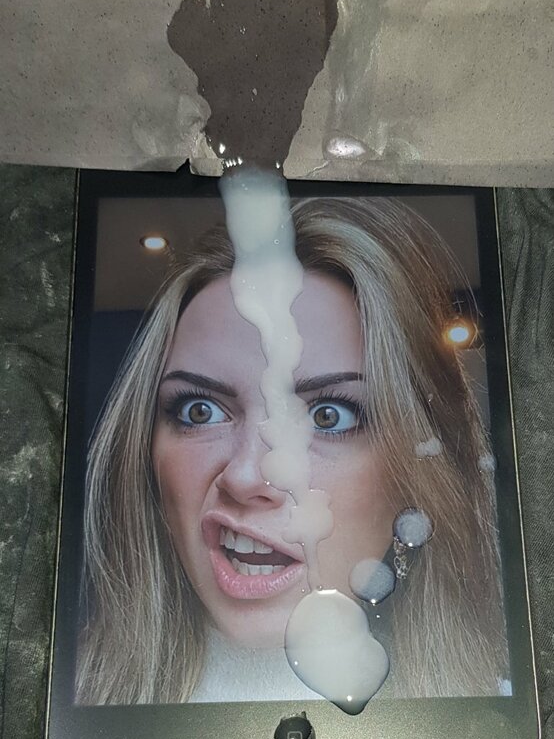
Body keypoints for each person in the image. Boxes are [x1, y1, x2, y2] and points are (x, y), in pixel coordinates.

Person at [77, 196, 508, 705]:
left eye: (328, 416)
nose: (245, 476)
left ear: (419, 471)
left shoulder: (501, 718)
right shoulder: (72, 706)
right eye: (199, 411)